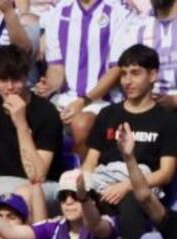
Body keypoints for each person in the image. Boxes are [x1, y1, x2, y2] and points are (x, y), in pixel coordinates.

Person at [81, 44, 177, 239]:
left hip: (143, 188)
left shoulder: (167, 121)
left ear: (152, 75)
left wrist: (126, 186)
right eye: (123, 73)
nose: (127, 81)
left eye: (135, 73)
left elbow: (165, 173)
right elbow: (91, 161)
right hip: (104, 183)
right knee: (74, 201)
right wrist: (83, 186)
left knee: (133, 203)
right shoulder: (108, 114)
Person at [36, 0, 128, 156]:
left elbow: (116, 69)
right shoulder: (58, 12)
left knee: (81, 124)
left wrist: (83, 101)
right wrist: (49, 86)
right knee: (33, 114)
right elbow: (56, 66)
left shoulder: (117, 12)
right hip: (66, 99)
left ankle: (81, 175)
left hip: (102, 101)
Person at [0, 46, 64, 199]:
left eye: (15, 80)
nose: (9, 87)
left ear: (25, 77)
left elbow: (37, 176)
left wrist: (21, 123)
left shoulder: (47, 113)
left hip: (40, 188)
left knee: (23, 195)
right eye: (3, 80)